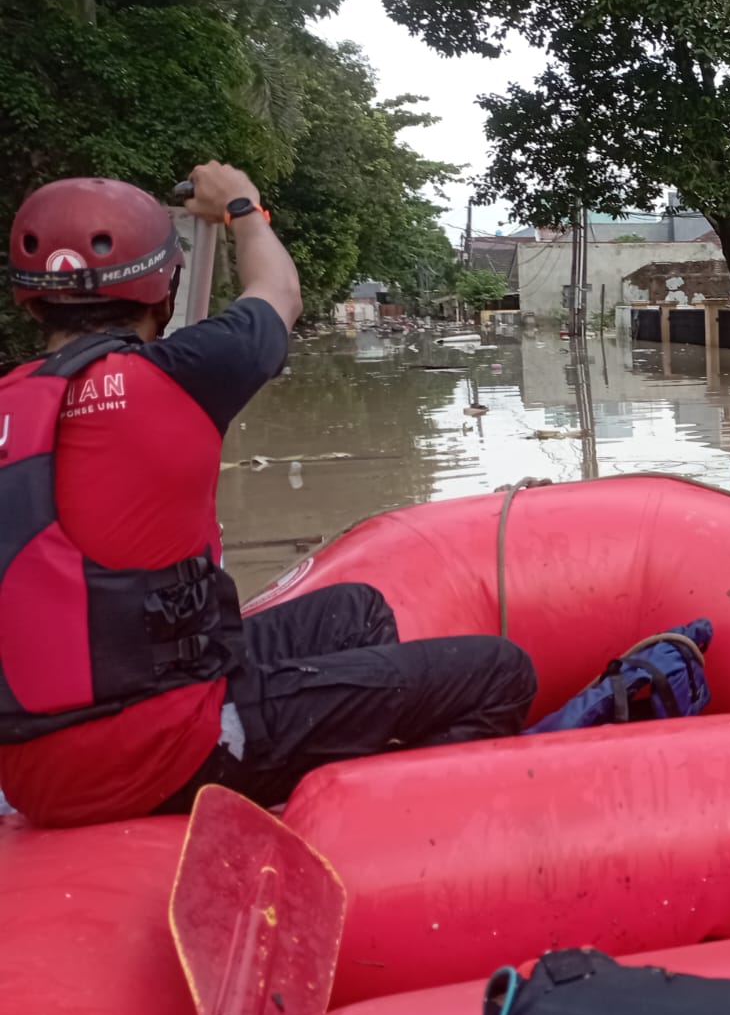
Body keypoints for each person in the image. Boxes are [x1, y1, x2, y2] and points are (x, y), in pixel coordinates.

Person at [0, 165, 537, 827]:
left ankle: (313, 755)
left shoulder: (12, 401)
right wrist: (240, 207)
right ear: (162, 290)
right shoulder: (186, 373)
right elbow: (277, 289)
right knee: (499, 673)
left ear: (29, 301)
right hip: (155, 752)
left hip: (34, 767)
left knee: (356, 614)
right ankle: (383, 842)